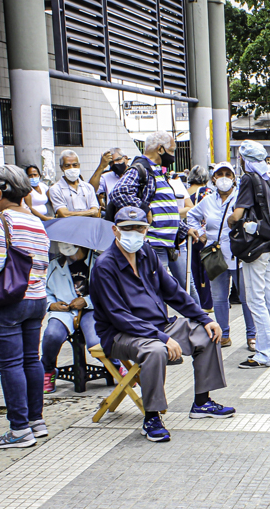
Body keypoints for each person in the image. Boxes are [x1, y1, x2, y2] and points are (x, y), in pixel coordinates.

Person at [90, 207, 233, 441]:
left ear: (147, 230)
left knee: (207, 334)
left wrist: (204, 318)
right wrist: (162, 338)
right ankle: (152, 417)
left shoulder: (147, 252)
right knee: (155, 350)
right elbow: (118, 316)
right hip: (122, 334)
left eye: (140, 228)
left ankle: (202, 401)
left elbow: (173, 291)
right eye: (128, 229)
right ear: (116, 231)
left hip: (160, 325)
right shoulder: (104, 265)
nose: (134, 233)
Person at [0, 165, 51, 449]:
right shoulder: (36, 222)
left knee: (10, 366)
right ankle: (36, 421)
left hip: (8, 302)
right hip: (36, 299)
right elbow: (42, 262)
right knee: (31, 360)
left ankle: (19, 429)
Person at [229, 141, 270, 369]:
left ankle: (264, 354)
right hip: (268, 244)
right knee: (267, 299)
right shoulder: (268, 179)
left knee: (255, 301)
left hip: (254, 248)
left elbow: (239, 212)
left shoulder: (248, 178)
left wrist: (233, 220)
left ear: (244, 159)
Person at [190, 163, 256, 349]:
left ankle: (252, 335)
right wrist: (199, 232)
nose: (224, 178)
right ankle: (223, 335)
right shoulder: (207, 200)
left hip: (238, 254)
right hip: (215, 254)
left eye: (228, 174)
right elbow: (192, 216)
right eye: (220, 174)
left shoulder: (240, 198)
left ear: (234, 178)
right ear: (213, 178)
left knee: (245, 296)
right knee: (219, 297)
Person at [40, 242, 104, 393]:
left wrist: (87, 301)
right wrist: (51, 305)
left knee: (95, 342)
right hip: (64, 310)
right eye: (61, 242)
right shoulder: (55, 264)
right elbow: (44, 290)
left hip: (92, 310)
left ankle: (116, 365)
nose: (65, 245)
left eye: (68, 242)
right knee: (52, 335)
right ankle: (48, 371)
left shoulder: (99, 262)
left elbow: (109, 292)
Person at [49, 150, 101, 219]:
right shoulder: (55, 189)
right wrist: (90, 212)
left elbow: (95, 212)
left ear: (79, 166)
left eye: (74, 165)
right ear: (62, 168)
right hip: (69, 227)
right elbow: (64, 214)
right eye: (67, 165)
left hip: (88, 226)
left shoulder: (88, 187)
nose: (71, 168)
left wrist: (71, 213)